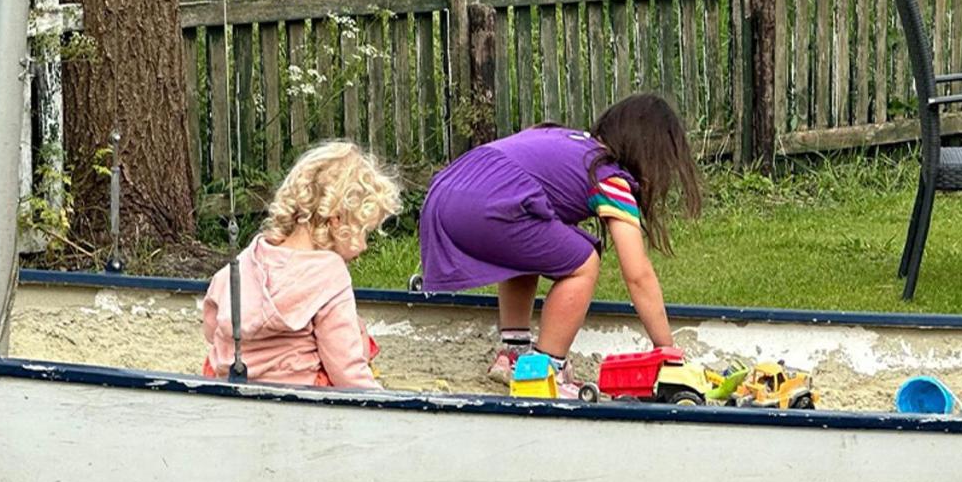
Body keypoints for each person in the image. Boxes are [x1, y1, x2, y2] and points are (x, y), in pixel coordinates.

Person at [418, 92, 702, 397]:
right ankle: (547, 366)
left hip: (447, 191)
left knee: (533, 246)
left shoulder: (562, 137)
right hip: (491, 204)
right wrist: (667, 350)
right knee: (584, 262)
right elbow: (638, 274)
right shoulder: (607, 176)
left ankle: (514, 354)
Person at [202, 140, 401, 389]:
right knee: (359, 338)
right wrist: (382, 401)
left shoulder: (245, 261)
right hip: (300, 397)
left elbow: (211, 328)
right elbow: (346, 370)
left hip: (231, 389)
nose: (364, 246)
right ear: (337, 220)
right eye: (364, 232)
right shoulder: (329, 275)